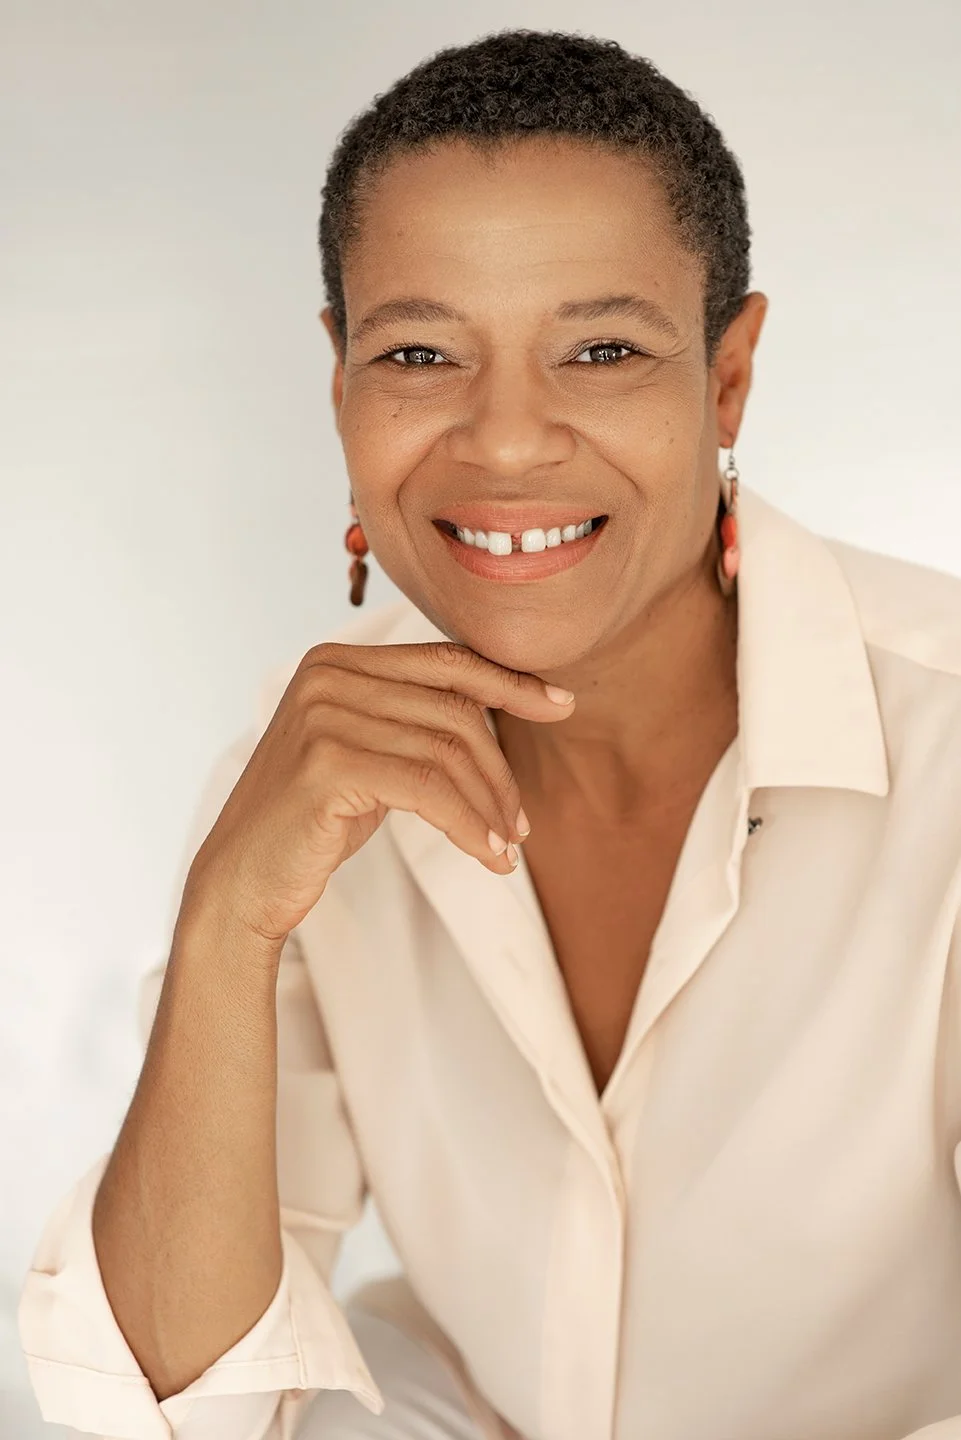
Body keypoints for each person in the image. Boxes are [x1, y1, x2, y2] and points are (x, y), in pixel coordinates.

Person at [17, 26, 961, 1440]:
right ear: (340, 380)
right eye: (418, 351)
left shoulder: (944, 748)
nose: (506, 443)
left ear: (726, 379)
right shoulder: (312, 788)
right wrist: (227, 923)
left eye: (601, 349)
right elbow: (166, 1412)